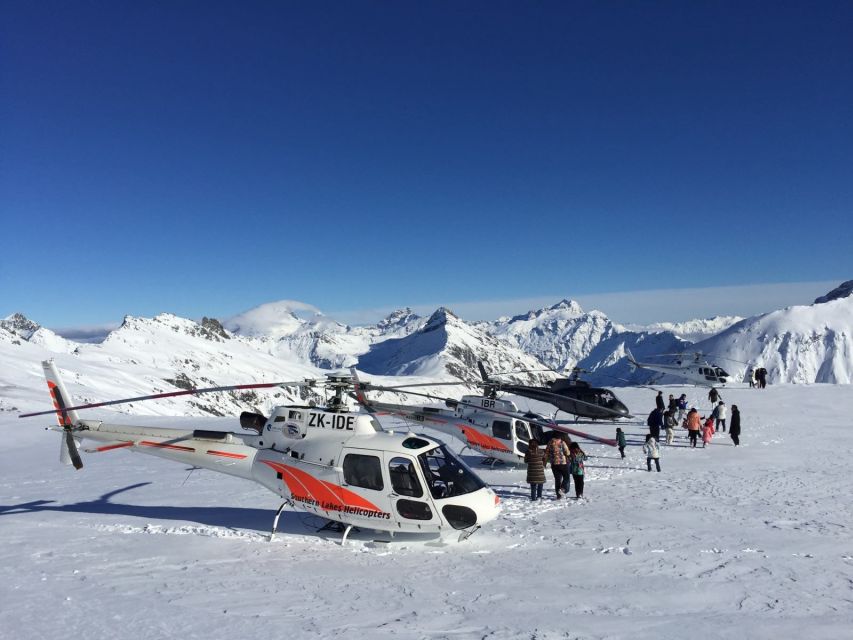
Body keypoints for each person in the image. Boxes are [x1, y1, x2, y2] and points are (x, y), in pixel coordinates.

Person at [543, 434, 570, 499]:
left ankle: (558, 496)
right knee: (566, 477)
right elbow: (567, 452)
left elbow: (546, 452)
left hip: (554, 464)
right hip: (563, 463)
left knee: (557, 480)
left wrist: (545, 461)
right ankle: (562, 489)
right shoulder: (562, 442)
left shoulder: (550, 442)